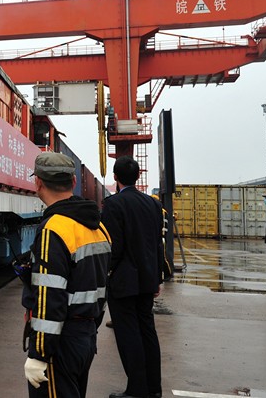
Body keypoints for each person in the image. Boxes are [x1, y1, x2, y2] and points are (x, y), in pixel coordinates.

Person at [21, 152, 111, 397]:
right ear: (73, 182)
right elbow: (102, 288)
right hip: (86, 336)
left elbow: (50, 298)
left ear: (38, 183)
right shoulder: (99, 227)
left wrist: (39, 354)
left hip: (60, 343)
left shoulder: (53, 230)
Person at [101, 156, 164, 398]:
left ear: (115, 177)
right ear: (138, 176)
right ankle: (153, 388)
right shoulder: (153, 204)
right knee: (148, 331)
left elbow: (113, 247)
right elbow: (156, 243)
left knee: (128, 335)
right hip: (148, 279)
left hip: (124, 281)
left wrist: (108, 272)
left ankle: (137, 390)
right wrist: (157, 276)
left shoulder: (113, 205)